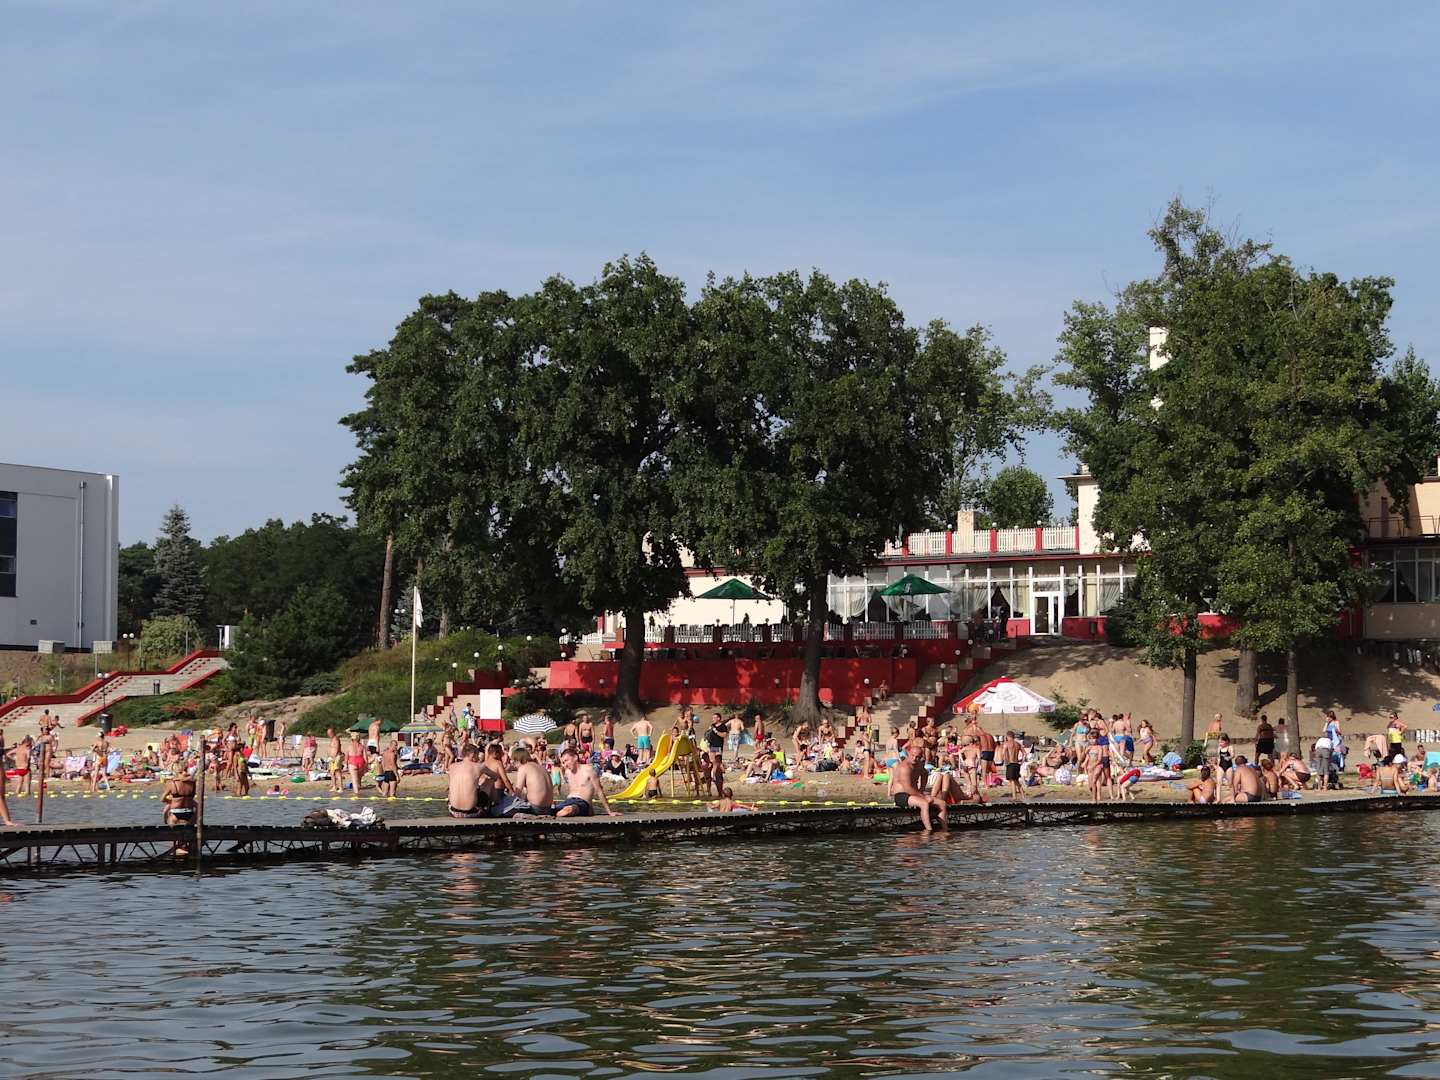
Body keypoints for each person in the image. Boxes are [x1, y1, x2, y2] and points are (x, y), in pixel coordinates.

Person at [887, 737, 947, 831]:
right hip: (901, 795)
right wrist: (923, 796)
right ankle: (929, 830)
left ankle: (945, 829)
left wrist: (922, 788)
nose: (915, 758)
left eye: (918, 757)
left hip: (914, 794)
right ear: (908, 753)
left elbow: (924, 774)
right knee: (924, 803)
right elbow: (907, 788)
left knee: (942, 803)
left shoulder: (919, 764)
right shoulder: (904, 767)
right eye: (913, 755)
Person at [555, 745, 619, 817]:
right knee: (549, 810)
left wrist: (609, 811)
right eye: (563, 762)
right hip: (568, 801)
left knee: (567, 810)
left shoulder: (589, 770)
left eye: (566, 760)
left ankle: (558, 813)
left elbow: (599, 791)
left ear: (575, 757)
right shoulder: (568, 772)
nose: (565, 765)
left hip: (582, 803)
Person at [447, 745, 485, 818]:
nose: (478, 757)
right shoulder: (479, 766)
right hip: (471, 813)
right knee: (488, 782)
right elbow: (495, 776)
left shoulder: (452, 766)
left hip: (453, 811)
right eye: (477, 754)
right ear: (472, 754)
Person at [997, 731, 1025, 801]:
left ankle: (1014, 797)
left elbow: (1003, 753)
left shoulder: (1006, 743)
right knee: (1016, 780)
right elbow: (1025, 753)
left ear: (1007, 736)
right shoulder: (1018, 744)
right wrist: (1022, 762)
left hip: (1010, 763)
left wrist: (1003, 761)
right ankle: (1023, 796)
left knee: (1012, 781)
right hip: (1016, 764)